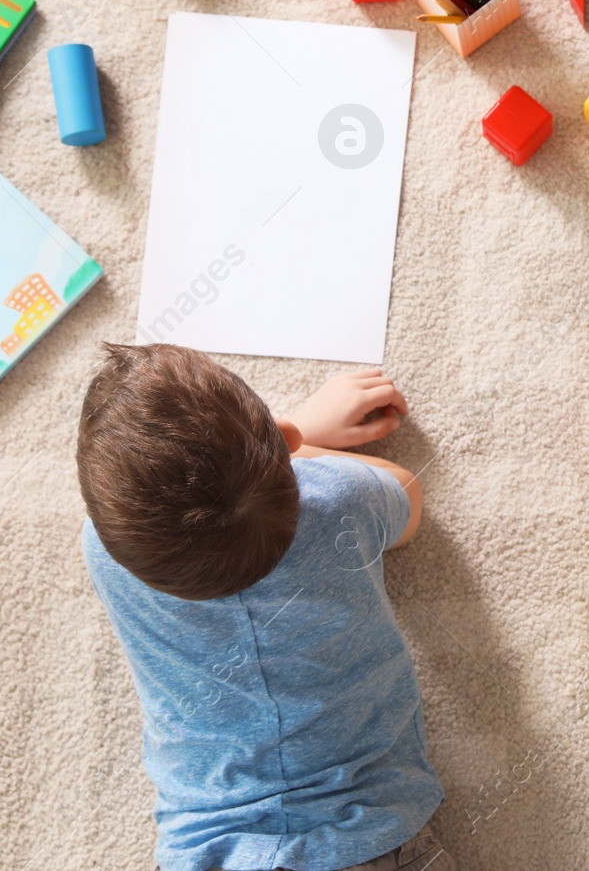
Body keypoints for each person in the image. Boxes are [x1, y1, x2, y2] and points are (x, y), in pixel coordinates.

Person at [76, 343, 451, 871]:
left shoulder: (103, 551)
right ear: (289, 442)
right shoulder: (344, 500)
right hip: (366, 836)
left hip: (206, 847)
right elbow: (407, 497)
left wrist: (284, 438)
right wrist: (293, 442)